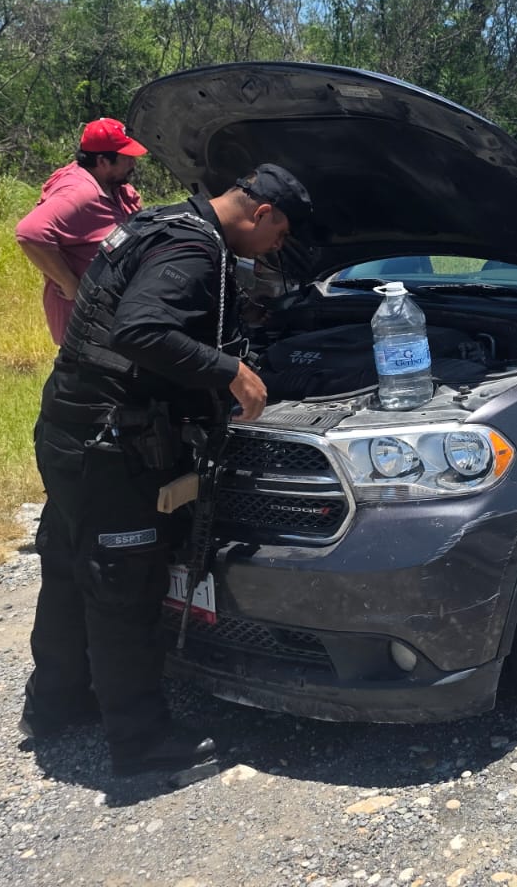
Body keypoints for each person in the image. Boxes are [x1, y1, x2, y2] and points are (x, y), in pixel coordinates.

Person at [21, 164, 313, 777]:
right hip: (111, 446)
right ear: (261, 213)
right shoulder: (193, 249)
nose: (275, 248)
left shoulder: (159, 222)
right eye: (280, 235)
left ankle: (55, 704)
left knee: (70, 567)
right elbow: (142, 329)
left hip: (70, 428)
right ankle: (142, 742)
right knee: (124, 587)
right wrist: (230, 372)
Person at [16, 119, 147, 344]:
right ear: (102, 161)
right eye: (126, 158)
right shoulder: (80, 192)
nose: (133, 163)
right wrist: (70, 284)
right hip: (85, 330)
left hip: (107, 321)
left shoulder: (110, 185)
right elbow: (30, 232)